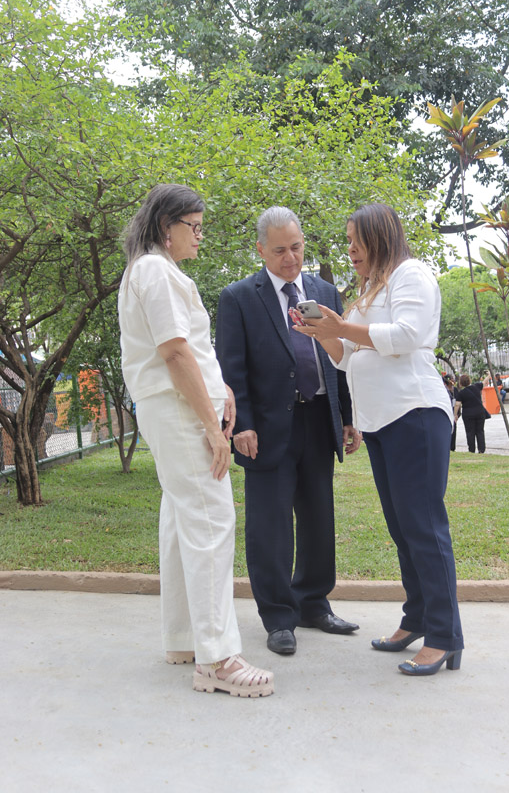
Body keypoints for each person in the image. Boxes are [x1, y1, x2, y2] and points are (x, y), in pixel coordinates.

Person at [294, 202, 464, 677]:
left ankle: (446, 637)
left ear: (379, 237)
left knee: (425, 528)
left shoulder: (412, 275)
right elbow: (346, 356)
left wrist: (343, 326)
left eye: (355, 241)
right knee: (402, 529)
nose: (349, 250)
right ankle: (416, 619)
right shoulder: (369, 289)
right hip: (383, 423)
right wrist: (320, 333)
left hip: (415, 414)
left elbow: (408, 335)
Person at [118, 183, 273, 697]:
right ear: (168, 226)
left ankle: (184, 636)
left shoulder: (156, 271)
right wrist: (212, 425)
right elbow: (175, 353)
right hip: (181, 412)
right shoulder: (155, 272)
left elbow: (191, 351)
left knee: (182, 518)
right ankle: (218, 659)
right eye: (195, 226)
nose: (200, 236)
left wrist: (220, 386)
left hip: (178, 406)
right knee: (210, 519)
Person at [216, 206, 360, 656]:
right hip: (267, 428)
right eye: (279, 250)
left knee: (319, 517)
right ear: (261, 249)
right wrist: (243, 426)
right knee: (271, 525)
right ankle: (279, 616)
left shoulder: (325, 292)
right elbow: (231, 368)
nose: (291, 258)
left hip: (319, 419)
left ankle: (313, 602)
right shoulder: (239, 297)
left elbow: (337, 360)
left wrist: (347, 416)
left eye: (296, 247)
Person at [455, 372, 491, 453]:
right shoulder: (477, 386)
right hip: (480, 412)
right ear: (469, 380)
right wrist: (488, 375)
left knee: (470, 432)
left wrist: (455, 415)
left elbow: (457, 404)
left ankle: (471, 450)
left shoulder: (461, 393)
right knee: (480, 431)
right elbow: (484, 382)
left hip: (468, 415)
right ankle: (481, 449)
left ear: (461, 383)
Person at [443, 374, 459, 451]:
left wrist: (457, 414)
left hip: (454, 412)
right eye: (452, 379)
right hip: (448, 411)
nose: (453, 380)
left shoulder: (455, 390)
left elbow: (458, 401)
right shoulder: (444, 390)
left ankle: (452, 448)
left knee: (454, 430)